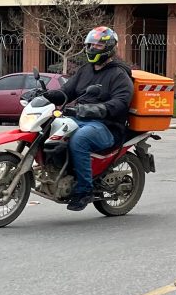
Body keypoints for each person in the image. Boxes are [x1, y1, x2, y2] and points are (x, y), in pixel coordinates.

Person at [51, 26, 135, 212]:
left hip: (107, 126)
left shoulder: (119, 74)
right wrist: (46, 95)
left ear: (109, 47)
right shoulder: (85, 70)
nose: (92, 48)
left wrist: (94, 109)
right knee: (49, 130)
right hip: (80, 119)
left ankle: (84, 190)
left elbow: (121, 102)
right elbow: (66, 92)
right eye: (90, 45)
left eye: (97, 45)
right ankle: (62, 173)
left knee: (80, 139)